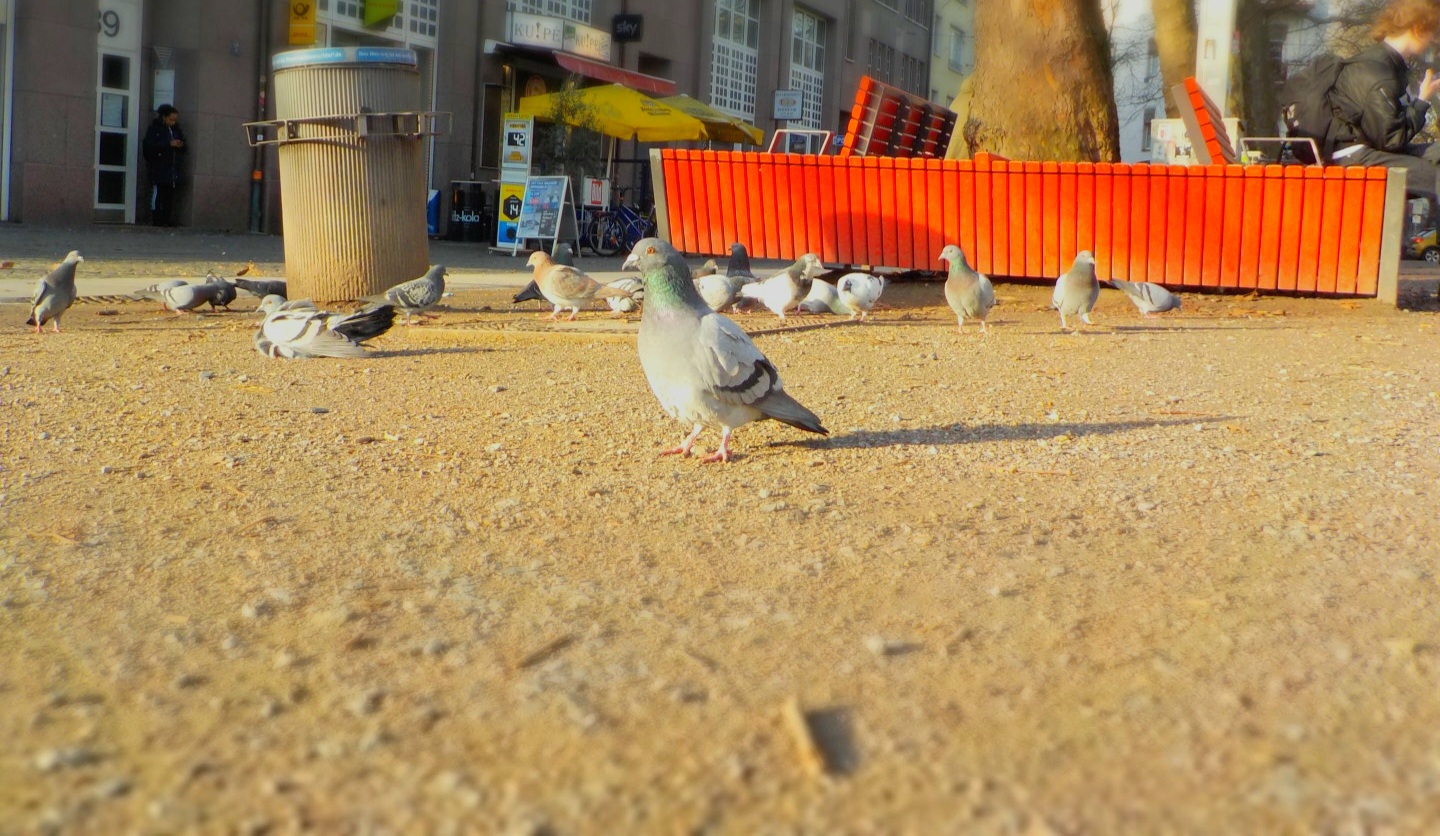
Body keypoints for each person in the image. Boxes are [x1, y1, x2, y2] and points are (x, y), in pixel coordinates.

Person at [1329, 0, 1440, 206]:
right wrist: (1422, 101)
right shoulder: (1378, 72)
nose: (1433, 39)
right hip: (1354, 155)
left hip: (1369, 147)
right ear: (1417, 29)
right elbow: (1391, 139)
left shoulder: (1388, 63)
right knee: (1435, 178)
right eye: (1432, 32)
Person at [143, 104, 187, 227]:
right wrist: (168, 144)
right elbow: (149, 148)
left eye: (175, 120)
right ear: (163, 117)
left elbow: (183, 145)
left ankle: (167, 219)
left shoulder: (176, 130)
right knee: (158, 195)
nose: (173, 122)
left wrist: (181, 145)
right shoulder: (154, 130)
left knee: (169, 196)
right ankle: (157, 219)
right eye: (170, 119)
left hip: (172, 169)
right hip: (159, 168)